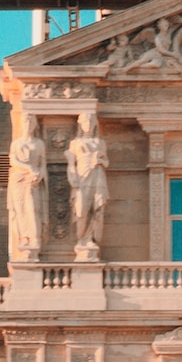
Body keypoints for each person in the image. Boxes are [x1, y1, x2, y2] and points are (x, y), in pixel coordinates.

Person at [66, 111, 109, 259]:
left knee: (96, 208)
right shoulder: (75, 143)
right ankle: (81, 239)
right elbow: (71, 164)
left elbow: (106, 162)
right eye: (85, 121)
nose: (89, 124)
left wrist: (100, 161)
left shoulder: (100, 143)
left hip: (97, 176)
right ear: (80, 124)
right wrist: (72, 177)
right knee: (81, 209)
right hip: (82, 176)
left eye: (91, 121)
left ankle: (89, 239)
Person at [7, 114, 47, 261]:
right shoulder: (16, 143)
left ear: (35, 125)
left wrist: (39, 175)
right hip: (19, 179)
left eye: (31, 122)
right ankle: (25, 239)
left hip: (33, 180)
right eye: (25, 122)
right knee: (20, 209)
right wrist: (30, 168)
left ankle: (34, 238)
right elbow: (13, 160)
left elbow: (43, 164)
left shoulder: (39, 144)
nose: (28, 125)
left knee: (33, 209)